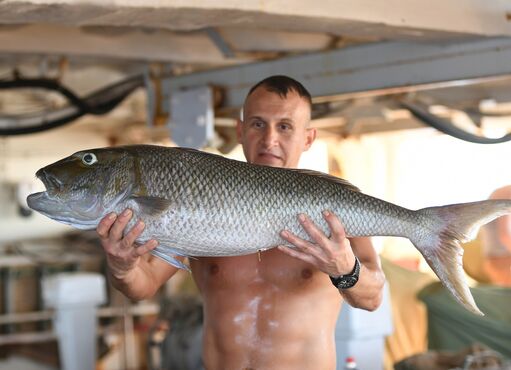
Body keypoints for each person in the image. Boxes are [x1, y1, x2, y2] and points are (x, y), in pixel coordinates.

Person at [95, 75, 385, 370]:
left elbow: (372, 297)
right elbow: (143, 285)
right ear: (240, 130)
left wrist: (347, 269)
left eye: (284, 126)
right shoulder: (199, 200)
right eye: (258, 124)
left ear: (308, 138)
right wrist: (122, 266)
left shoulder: (334, 207)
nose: (269, 139)